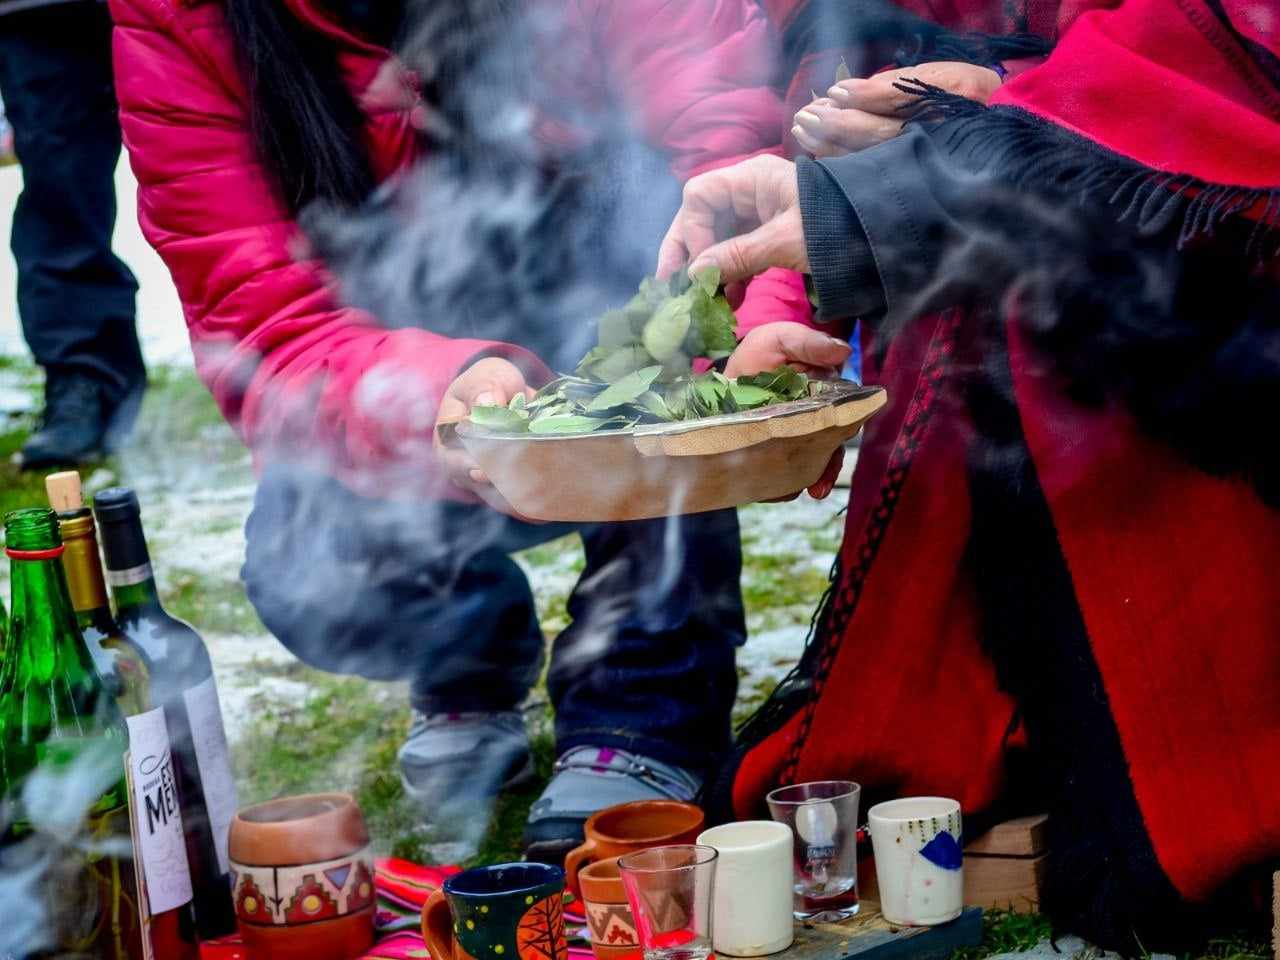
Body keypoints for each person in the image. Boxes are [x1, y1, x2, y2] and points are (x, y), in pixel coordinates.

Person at [660, 0, 1280, 950]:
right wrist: (777, 315)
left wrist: (989, 114)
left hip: (1195, 317)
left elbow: (1198, 74)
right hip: (975, 339)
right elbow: (787, 109)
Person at [108, 0, 794, 859]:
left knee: (648, 323)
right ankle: (470, 658)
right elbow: (262, 322)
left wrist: (756, 301)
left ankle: (644, 698)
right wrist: (438, 390)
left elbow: (724, 120)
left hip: (606, 263)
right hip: (383, 346)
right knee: (303, 565)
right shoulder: (177, 14)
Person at [0, 0, 146, 468]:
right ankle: (87, 384)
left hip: (188, 10)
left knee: (229, 172)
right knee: (59, 193)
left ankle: (290, 360)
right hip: (38, 8)